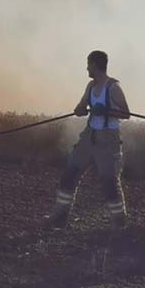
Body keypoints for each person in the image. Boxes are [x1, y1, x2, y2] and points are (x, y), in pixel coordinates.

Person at [47, 50, 131, 228]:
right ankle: (59, 217)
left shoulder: (113, 87)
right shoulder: (90, 86)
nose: (87, 68)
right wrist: (79, 109)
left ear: (95, 64)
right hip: (88, 136)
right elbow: (81, 105)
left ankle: (120, 224)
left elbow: (126, 114)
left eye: (88, 64)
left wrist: (106, 111)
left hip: (108, 141)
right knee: (69, 175)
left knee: (109, 183)